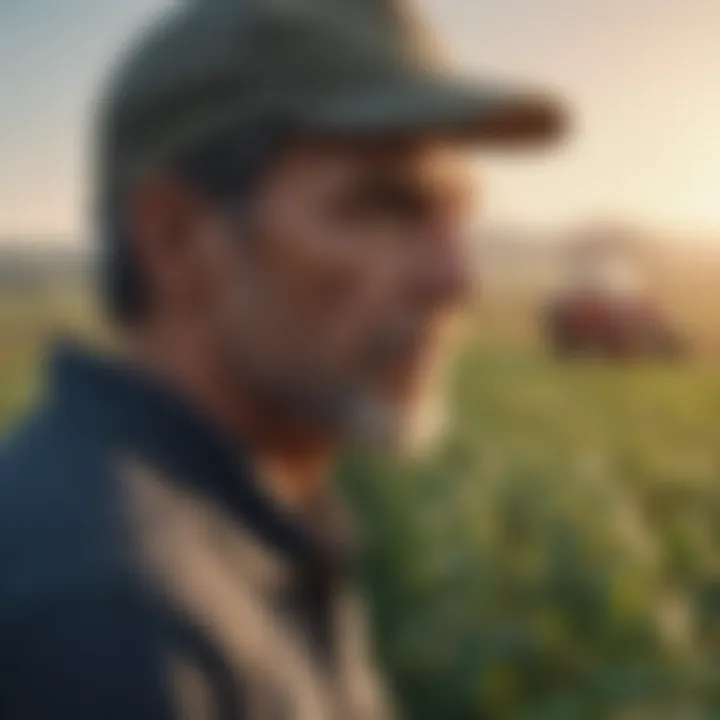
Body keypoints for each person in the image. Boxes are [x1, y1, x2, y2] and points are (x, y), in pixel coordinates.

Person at [0, 0, 566, 717]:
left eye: (457, 215)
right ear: (175, 240)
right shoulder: (107, 621)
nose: (457, 279)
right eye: (381, 206)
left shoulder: (248, 515)